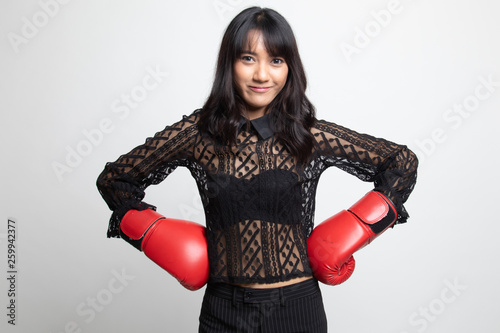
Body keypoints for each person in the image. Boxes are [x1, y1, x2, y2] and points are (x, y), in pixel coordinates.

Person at [96, 6, 418, 333]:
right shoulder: (199, 133)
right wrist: (160, 238)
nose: (262, 75)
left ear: (290, 68)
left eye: (276, 60)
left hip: (298, 310)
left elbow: (401, 163)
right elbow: (115, 180)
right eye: (248, 58)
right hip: (224, 311)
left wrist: (357, 227)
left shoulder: (308, 135)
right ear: (229, 64)